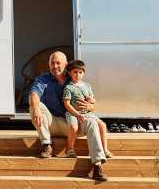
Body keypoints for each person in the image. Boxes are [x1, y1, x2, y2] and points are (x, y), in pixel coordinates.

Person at [28, 51, 107, 181]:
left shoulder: (75, 78)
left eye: (58, 63)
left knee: (92, 123)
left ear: (65, 64)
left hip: (75, 124)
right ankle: (47, 145)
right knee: (35, 105)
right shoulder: (43, 79)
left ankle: (97, 165)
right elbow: (34, 93)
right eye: (52, 63)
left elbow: (91, 103)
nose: (55, 66)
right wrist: (36, 107)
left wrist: (91, 106)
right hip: (54, 123)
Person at [61, 60, 114, 176]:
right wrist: (77, 114)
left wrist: (92, 101)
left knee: (102, 125)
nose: (77, 75)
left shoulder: (87, 86)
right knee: (74, 127)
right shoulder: (68, 88)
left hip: (87, 113)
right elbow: (67, 104)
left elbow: (93, 100)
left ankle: (104, 150)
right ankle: (70, 149)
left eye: (80, 72)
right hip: (74, 113)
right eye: (75, 72)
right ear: (70, 73)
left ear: (83, 73)